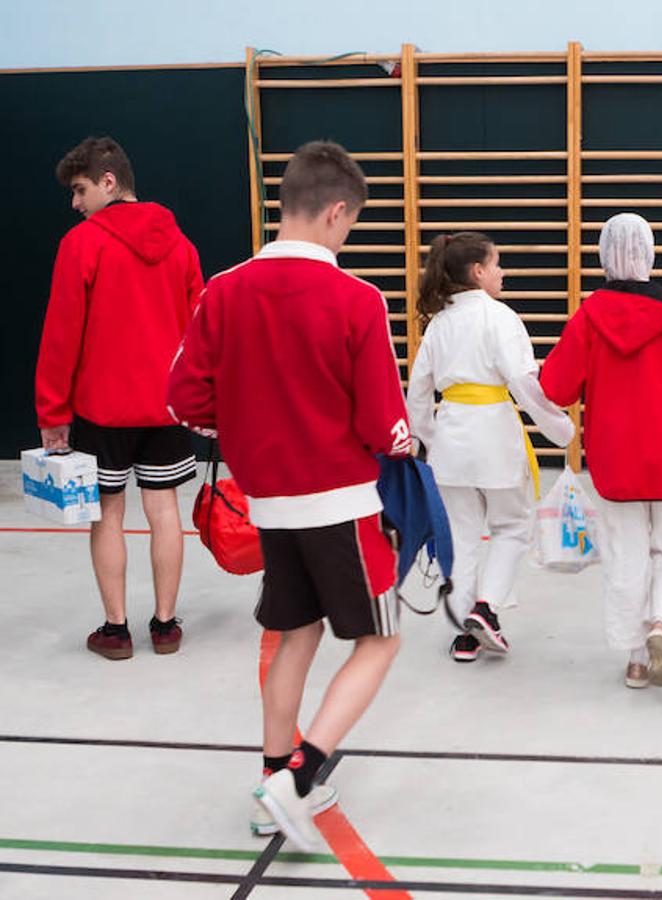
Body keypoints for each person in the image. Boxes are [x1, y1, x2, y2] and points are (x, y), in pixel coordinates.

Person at [167, 141, 412, 851]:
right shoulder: (357, 299)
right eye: (350, 224)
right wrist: (407, 446)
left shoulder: (222, 289)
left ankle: (271, 776)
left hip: (268, 504)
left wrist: (243, 423)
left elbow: (183, 398)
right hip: (340, 505)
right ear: (337, 210)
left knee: (293, 637)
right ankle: (298, 778)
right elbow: (382, 424)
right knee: (379, 640)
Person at [539, 213, 662, 689]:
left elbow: (557, 387)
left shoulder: (590, 316)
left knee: (626, 557)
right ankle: (661, 623)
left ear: (604, 255)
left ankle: (635, 659)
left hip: (614, 461)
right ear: (649, 253)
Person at [35, 136, 204, 660]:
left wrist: (52, 413)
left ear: (109, 182)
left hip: (102, 410)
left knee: (107, 515)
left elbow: (61, 335)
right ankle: (166, 625)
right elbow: (200, 332)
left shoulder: (81, 244)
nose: (75, 203)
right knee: (165, 511)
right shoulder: (182, 245)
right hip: (167, 406)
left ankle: (115, 631)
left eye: (80, 189)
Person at [406, 231, 575, 663]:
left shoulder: (438, 325)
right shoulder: (499, 317)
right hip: (494, 435)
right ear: (478, 271)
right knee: (513, 526)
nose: (502, 272)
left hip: (450, 441)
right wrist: (562, 429)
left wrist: (424, 441)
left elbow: (419, 394)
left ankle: (466, 634)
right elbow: (524, 384)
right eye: (497, 264)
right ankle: (486, 608)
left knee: (462, 539)